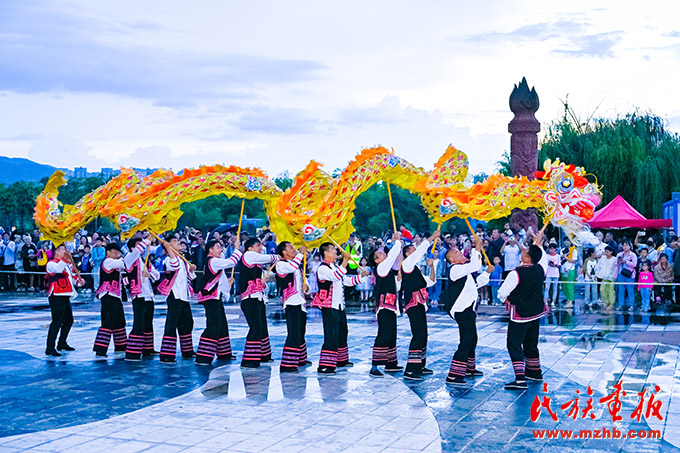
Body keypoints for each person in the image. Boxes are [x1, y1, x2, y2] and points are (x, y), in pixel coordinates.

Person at [497, 232, 549, 390]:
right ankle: (534, 372)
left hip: (520, 312)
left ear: (528, 258)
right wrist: (538, 244)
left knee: (513, 344)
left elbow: (501, 293)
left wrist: (507, 300)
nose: (522, 251)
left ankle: (520, 378)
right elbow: (543, 258)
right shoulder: (540, 269)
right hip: (535, 311)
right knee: (531, 343)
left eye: (525, 251)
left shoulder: (515, 273)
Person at [441, 237, 493, 385]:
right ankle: (454, 374)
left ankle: (469, 368)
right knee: (466, 339)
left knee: (472, 338)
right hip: (461, 309)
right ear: (452, 258)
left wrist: (487, 273)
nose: (462, 253)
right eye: (458, 252)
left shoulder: (463, 272)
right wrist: (477, 248)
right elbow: (475, 266)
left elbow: (476, 284)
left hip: (468, 308)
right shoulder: (455, 269)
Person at [313, 243, 366, 374]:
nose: (336, 251)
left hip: (339, 304)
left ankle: (341, 360)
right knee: (331, 334)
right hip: (329, 305)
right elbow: (335, 276)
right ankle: (325, 365)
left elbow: (345, 281)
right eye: (333, 249)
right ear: (326, 253)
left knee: (342, 331)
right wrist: (345, 261)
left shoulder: (335, 266)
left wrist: (361, 277)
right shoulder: (323, 268)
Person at [401, 229, 440, 381]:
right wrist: (431, 237)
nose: (415, 250)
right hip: (413, 304)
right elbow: (420, 252)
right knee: (418, 334)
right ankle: (411, 369)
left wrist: (431, 267)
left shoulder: (415, 269)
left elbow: (431, 281)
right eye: (412, 249)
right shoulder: (407, 264)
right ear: (407, 254)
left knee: (423, 334)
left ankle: (420, 365)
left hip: (420, 304)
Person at [93, 241, 144, 356]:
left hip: (115, 295)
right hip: (108, 294)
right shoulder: (108, 261)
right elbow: (125, 262)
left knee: (119, 321)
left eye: (118, 253)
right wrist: (135, 252)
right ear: (108, 252)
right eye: (115, 253)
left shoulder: (113, 263)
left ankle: (120, 345)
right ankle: (100, 348)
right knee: (108, 321)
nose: (117, 255)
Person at [195, 239, 242, 365]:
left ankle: (224, 353)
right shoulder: (213, 260)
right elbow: (231, 262)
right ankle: (203, 356)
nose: (221, 249)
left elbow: (220, 280)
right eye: (218, 247)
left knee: (221, 324)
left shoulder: (214, 261)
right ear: (210, 250)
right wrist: (236, 249)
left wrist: (228, 284)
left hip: (215, 297)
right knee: (214, 325)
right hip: (210, 298)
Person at [238, 237, 279, 368]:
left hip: (258, 297)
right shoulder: (249, 255)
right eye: (257, 245)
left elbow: (263, 284)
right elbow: (267, 258)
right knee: (255, 328)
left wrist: (264, 282)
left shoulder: (257, 265)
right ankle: (249, 359)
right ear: (250, 248)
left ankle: (263, 355)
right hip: (250, 298)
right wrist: (278, 257)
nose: (260, 247)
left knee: (262, 327)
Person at [157, 234, 197, 363]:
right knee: (171, 324)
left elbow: (191, 277)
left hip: (183, 296)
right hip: (174, 295)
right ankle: (167, 354)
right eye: (174, 241)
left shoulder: (182, 259)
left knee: (187, 322)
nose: (178, 243)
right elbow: (173, 266)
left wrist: (191, 269)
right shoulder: (168, 259)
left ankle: (187, 350)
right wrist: (168, 249)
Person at [367, 232, 403, 377]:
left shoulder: (386, 270)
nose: (384, 255)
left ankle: (390, 363)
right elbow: (394, 254)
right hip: (384, 306)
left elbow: (396, 287)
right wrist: (398, 242)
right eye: (381, 254)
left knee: (392, 334)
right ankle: (375, 365)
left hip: (391, 305)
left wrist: (399, 277)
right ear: (377, 260)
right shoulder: (381, 268)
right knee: (384, 333)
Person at [275, 242, 310, 373]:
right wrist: (301, 253)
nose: (294, 249)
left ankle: (299, 358)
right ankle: (287, 364)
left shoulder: (296, 265)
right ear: (284, 252)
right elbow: (292, 267)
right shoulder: (281, 264)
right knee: (293, 332)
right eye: (290, 248)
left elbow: (300, 282)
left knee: (301, 331)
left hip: (299, 301)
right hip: (291, 302)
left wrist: (306, 288)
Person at [45, 245, 83, 356]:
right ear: (56, 251)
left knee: (68, 320)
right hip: (56, 294)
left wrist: (78, 281)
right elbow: (58, 269)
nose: (65, 251)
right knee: (57, 321)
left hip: (65, 294)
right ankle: (50, 347)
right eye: (62, 249)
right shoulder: (51, 263)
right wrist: (66, 259)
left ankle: (62, 342)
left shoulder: (65, 264)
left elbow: (70, 276)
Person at [123, 237, 157, 361]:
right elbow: (137, 251)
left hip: (148, 295)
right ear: (132, 247)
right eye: (138, 245)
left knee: (148, 322)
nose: (142, 248)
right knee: (139, 322)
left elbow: (156, 275)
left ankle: (148, 349)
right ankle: (133, 352)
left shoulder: (145, 260)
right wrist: (147, 239)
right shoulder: (130, 258)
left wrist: (150, 275)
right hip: (138, 294)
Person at [616, 241, 637, 311]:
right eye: (623, 246)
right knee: (621, 290)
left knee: (630, 290)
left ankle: (631, 305)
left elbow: (634, 264)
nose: (625, 247)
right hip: (620, 274)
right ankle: (621, 305)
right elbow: (616, 264)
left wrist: (626, 261)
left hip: (629, 274)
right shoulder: (619, 254)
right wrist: (619, 262)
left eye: (626, 245)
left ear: (630, 246)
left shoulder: (633, 255)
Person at [559, 239, 577, 308]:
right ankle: (567, 298)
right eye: (565, 241)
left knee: (570, 286)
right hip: (563, 270)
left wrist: (566, 257)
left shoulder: (573, 250)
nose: (566, 242)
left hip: (570, 269)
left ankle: (571, 301)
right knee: (564, 286)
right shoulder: (562, 250)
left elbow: (574, 261)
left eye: (568, 241)